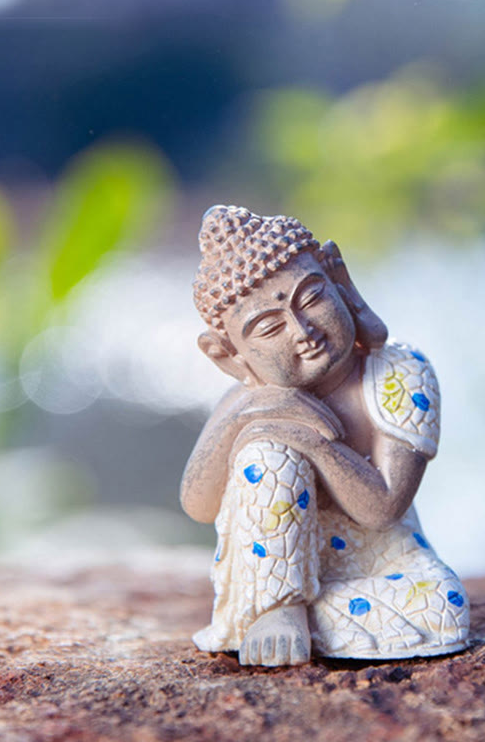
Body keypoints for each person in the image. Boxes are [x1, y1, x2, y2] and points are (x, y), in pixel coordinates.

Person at [181, 205, 469, 666]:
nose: (304, 331)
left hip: (378, 559)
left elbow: (382, 509)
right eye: (271, 327)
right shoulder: (249, 403)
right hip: (268, 566)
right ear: (229, 356)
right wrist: (249, 420)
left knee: (445, 607)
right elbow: (197, 504)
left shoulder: (398, 373)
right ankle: (277, 609)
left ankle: (296, 621)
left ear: (339, 280)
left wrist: (316, 440)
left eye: (312, 298)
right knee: (268, 450)